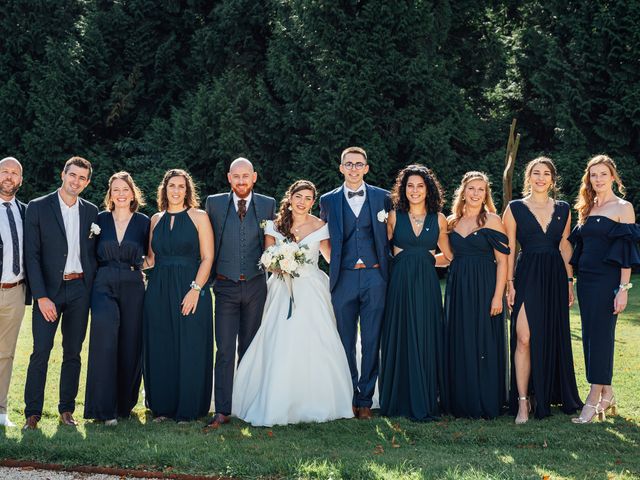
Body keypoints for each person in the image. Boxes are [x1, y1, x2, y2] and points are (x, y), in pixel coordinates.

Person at [232, 180, 354, 426]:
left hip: (311, 288)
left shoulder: (321, 226)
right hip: (280, 289)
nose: (303, 202)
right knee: (277, 339)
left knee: (317, 340)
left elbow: (331, 258)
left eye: (308, 198)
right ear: (291, 197)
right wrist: (278, 262)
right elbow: (266, 259)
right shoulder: (274, 225)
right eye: (299, 196)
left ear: (313, 202)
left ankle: (319, 399)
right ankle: (275, 398)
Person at [503, 157, 582, 424]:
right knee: (523, 336)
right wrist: (509, 284)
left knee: (549, 336)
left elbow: (564, 247)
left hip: (555, 278)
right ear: (528, 177)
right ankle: (523, 402)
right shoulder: (514, 208)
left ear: (552, 179)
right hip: (526, 275)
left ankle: (544, 394)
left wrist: (570, 282)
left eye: (546, 173)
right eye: (535, 173)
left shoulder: (563, 208)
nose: (540, 178)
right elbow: (510, 249)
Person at [23, 156, 98, 430]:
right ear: (62, 174)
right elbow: (32, 256)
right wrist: (41, 296)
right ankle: (32, 413)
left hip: (80, 289)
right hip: (49, 292)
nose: (76, 181)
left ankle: (67, 410)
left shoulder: (91, 212)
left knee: (73, 352)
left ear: (87, 182)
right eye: (72, 175)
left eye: (82, 178)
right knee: (40, 351)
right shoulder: (38, 207)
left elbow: (93, 253)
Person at [204, 158, 276, 430]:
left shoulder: (268, 204)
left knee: (250, 347)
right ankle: (222, 409)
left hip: (257, 286)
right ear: (229, 178)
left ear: (254, 177)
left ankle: (246, 405)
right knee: (224, 349)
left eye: (246, 176)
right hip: (224, 286)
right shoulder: (214, 203)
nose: (242, 181)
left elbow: (272, 242)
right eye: (237, 176)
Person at [319, 147, 391, 420]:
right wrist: (334, 262)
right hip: (344, 278)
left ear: (366, 168)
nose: (353, 168)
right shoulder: (328, 200)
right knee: (344, 340)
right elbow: (323, 235)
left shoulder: (383, 197)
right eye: (348, 164)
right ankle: (348, 395)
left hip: (375, 277)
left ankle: (365, 399)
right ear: (341, 168)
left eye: (358, 164)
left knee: (372, 339)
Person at [379, 164, 453, 421]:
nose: (414, 190)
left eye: (420, 185)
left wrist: (429, 259)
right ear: (403, 189)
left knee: (425, 335)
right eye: (409, 185)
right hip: (399, 284)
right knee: (402, 334)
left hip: (427, 285)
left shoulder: (440, 218)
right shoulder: (393, 216)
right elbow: (379, 248)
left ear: (428, 189)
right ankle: (399, 399)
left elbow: (449, 255)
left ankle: (425, 397)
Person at [569, 155, 638, 423]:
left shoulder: (623, 207)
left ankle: (594, 396)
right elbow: (581, 249)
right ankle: (607, 394)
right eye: (593, 175)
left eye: (602, 174)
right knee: (590, 336)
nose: (597, 179)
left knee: (601, 337)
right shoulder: (587, 207)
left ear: (612, 177)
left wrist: (623, 288)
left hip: (608, 282)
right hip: (586, 281)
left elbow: (625, 251)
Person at [143, 169, 214, 422]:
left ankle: (189, 408)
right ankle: (162, 407)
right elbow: (150, 260)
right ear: (164, 189)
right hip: (159, 288)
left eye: (181, 186)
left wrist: (195, 290)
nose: (176, 190)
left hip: (190, 286)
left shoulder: (199, 216)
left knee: (190, 345)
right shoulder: (155, 219)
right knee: (161, 345)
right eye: (171, 185)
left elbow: (207, 258)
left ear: (187, 190)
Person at [84, 172, 150, 425]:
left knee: (130, 343)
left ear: (133, 194)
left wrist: (139, 268)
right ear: (110, 194)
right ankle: (102, 409)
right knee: (104, 341)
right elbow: (89, 254)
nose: (120, 194)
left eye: (125, 189)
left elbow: (152, 256)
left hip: (134, 284)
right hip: (103, 284)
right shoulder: (99, 219)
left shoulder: (144, 222)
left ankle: (124, 405)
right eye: (115, 190)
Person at [443, 171, 509, 418]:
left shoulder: (492, 220)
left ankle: (485, 400)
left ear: (486, 194)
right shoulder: (451, 222)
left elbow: (502, 262)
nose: (475, 193)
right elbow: (449, 257)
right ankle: (462, 401)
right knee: (461, 339)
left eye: (481, 189)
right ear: (463, 191)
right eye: (472, 188)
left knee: (483, 340)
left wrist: (497, 296)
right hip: (458, 287)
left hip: (484, 286)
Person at [0, 157, 30, 428]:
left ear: (20, 179)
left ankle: (0, 412)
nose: (8, 177)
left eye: (14, 173)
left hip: (15, 292)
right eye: (4, 172)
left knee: (6, 353)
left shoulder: (26, 212)